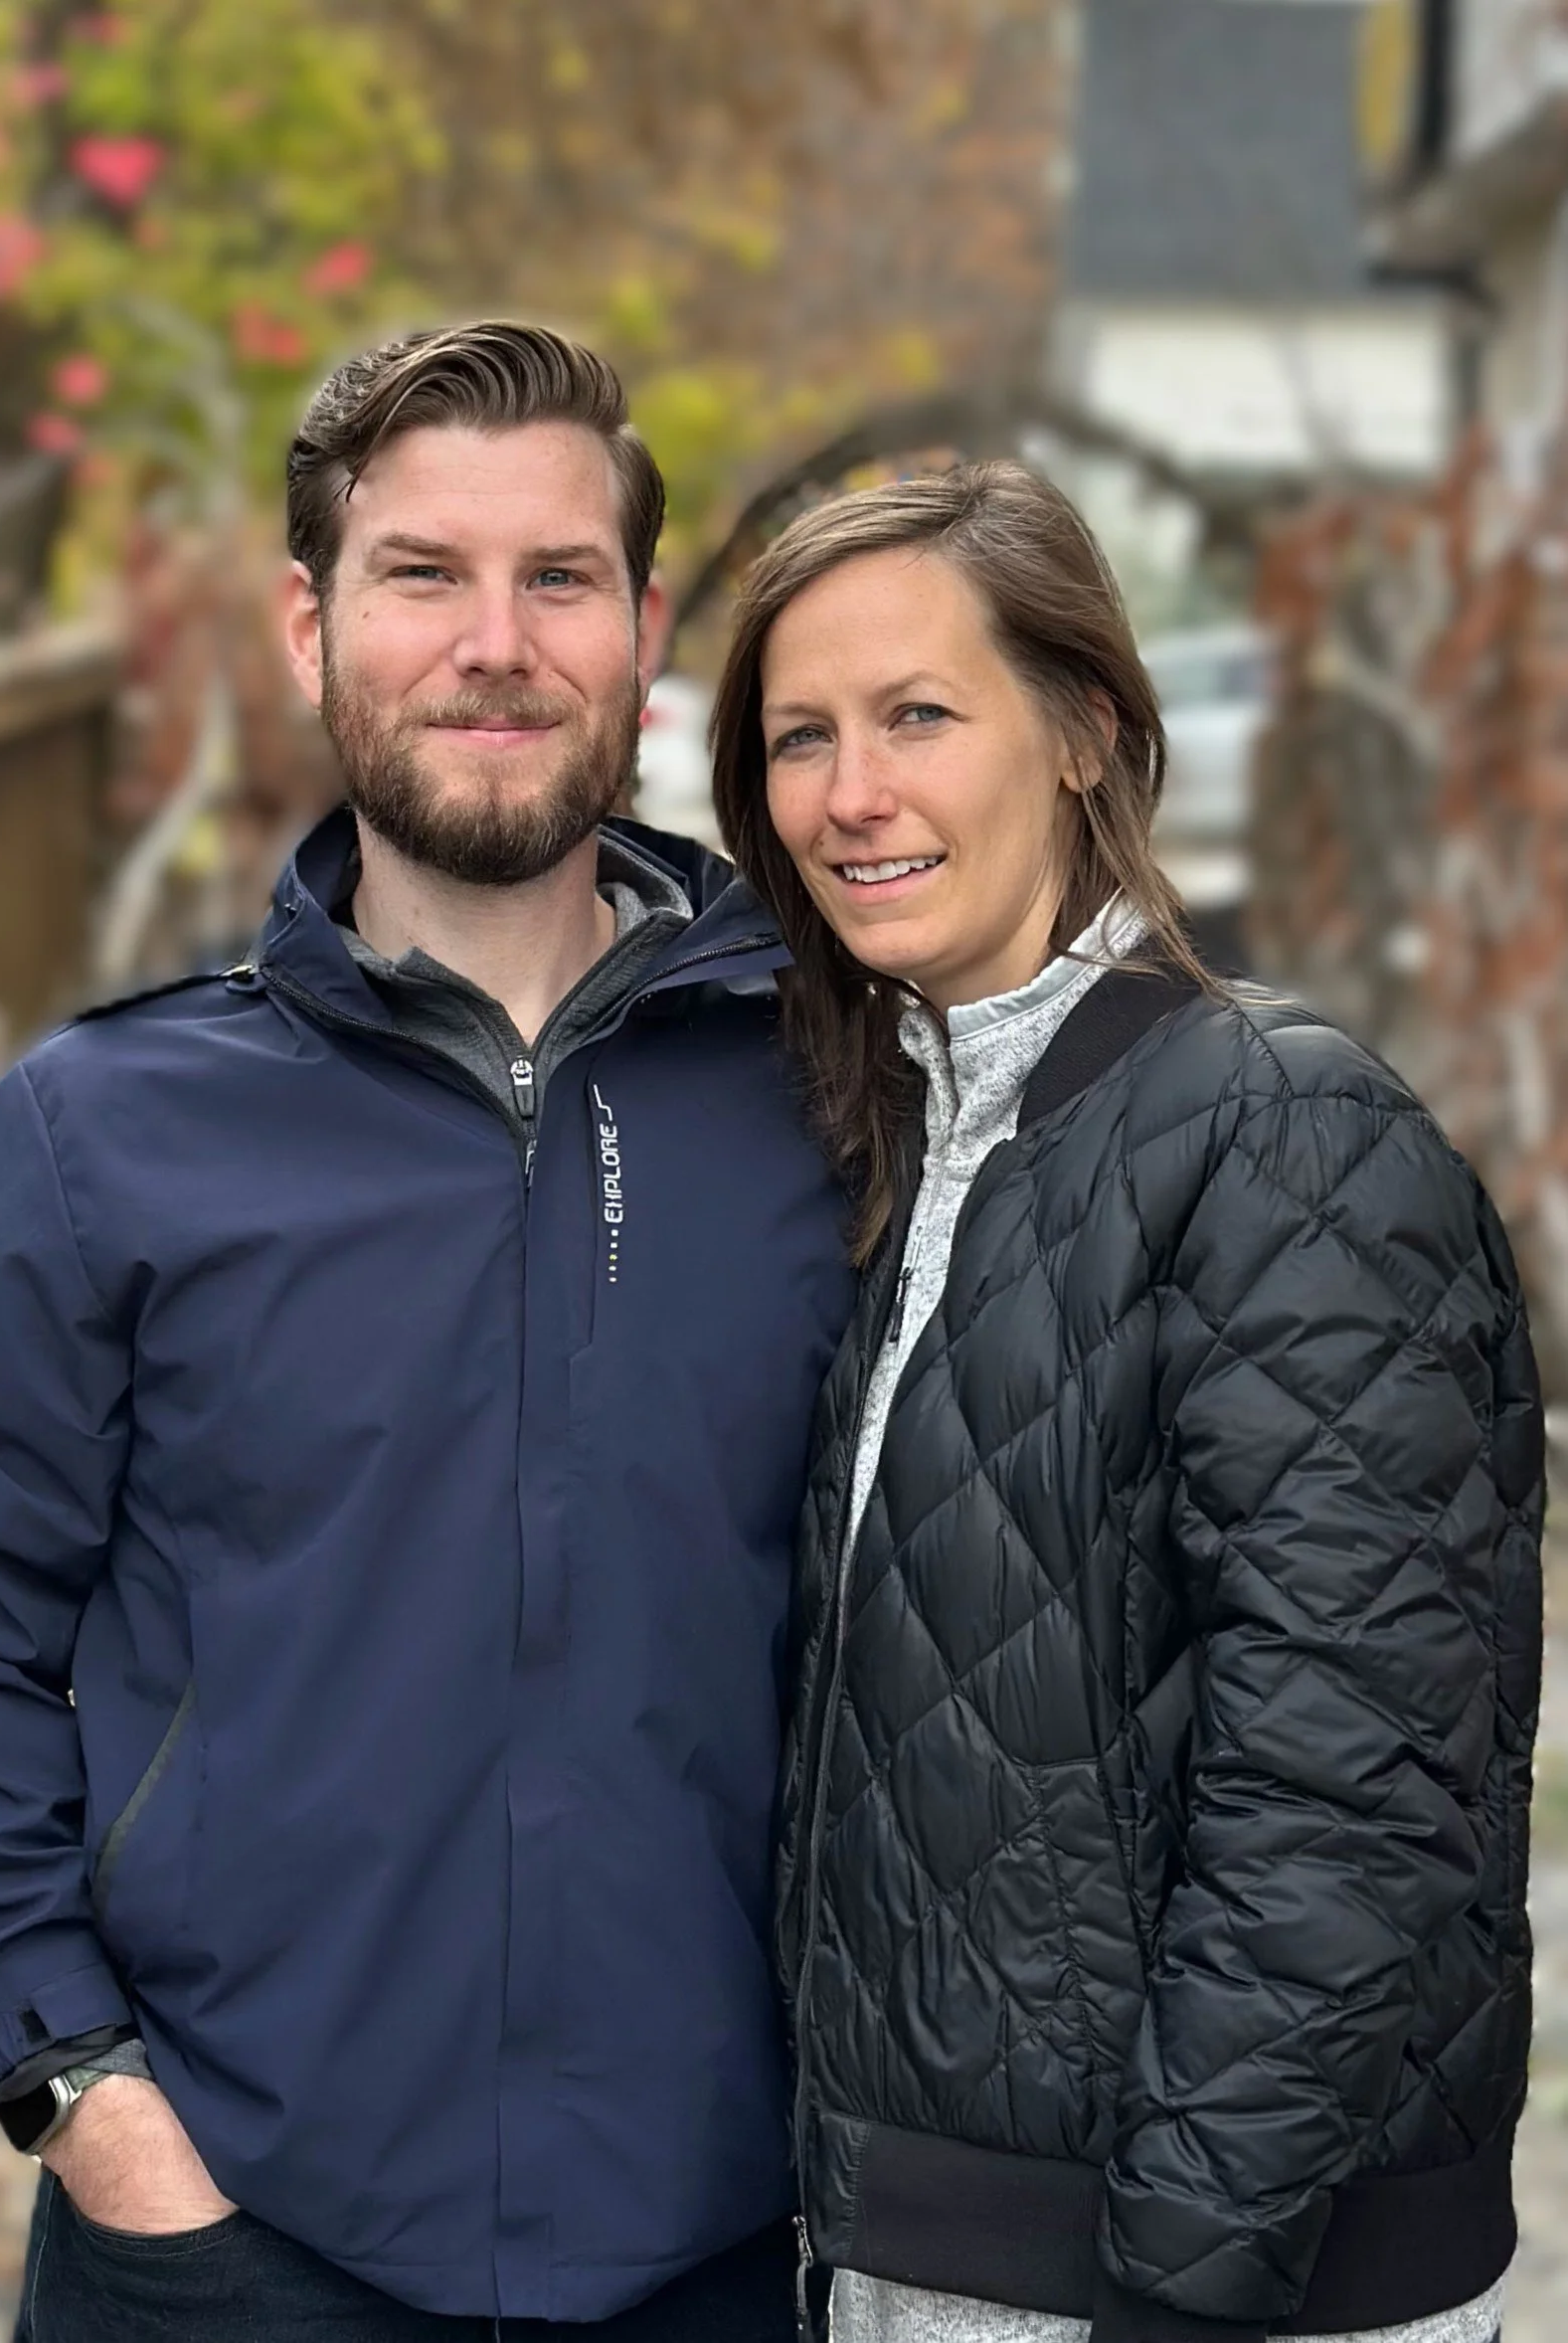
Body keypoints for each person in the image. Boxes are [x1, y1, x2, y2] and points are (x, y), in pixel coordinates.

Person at [0, 321, 855, 2342]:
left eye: (559, 578)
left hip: (728, 2253)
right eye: (420, 574)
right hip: (228, 2251)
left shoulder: (831, 1104)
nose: (495, 643)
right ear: (311, 628)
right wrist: (95, 2112)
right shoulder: (102, 1134)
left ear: (643, 631)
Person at [708, 462, 1545, 2343]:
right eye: (799, 737)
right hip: (922, 2257)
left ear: (1085, 731)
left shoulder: (1282, 1132)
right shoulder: (906, 1139)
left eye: (919, 715)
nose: (850, 793)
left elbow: (1347, 1791)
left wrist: (1180, 2283)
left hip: (1185, 2284)